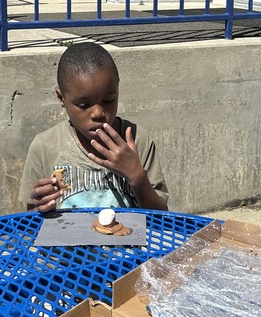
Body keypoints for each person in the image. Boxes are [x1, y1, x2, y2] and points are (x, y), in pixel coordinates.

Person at [20, 42, 169, 213]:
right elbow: (30, 217)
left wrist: (137, 177)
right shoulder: (45, 146)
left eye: (108, 100)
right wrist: (41, 206)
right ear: (61, 98)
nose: (98, 113)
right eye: (84, 104)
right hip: (69, 239)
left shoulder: (137, 141)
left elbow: (162, 218)